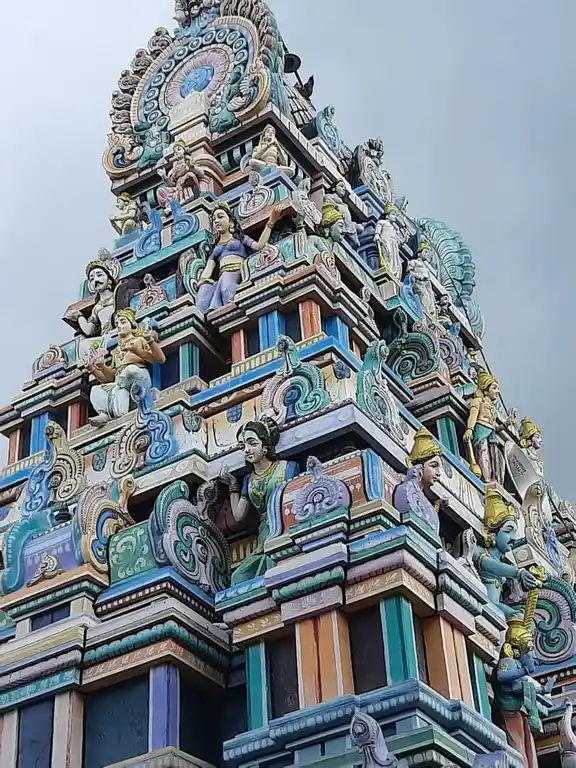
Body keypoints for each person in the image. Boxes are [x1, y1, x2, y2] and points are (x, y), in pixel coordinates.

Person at [220, 416, 299, 584]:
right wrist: (233, 485)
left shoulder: (287, 468)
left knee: (275, 564)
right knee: (238, 577)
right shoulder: (249, 480)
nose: (247, 450)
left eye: (252, 443)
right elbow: (239, 515)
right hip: (263, 536)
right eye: (243, 446)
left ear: (265, 447)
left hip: (284, 528)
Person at [195, 201, 281, 313]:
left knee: (226, 285)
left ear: (230, 222)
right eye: (214, 219)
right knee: (204, 290)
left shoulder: (240, 239)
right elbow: (208, 268)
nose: (216, 221)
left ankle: (232, 312)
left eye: (220, 217)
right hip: (222, 275)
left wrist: (271, 221)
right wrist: (202, 281)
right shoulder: (216, 248)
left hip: (237, 272)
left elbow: (259, 246)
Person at [87, 309, 165, 426]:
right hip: (121, 384)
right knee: (96, 390)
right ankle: (107, 414)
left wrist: (143, 345)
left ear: (132, 324)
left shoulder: (139, 340)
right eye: (117, 324)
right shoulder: (116, 350)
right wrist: (98, 367)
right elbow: (109, 376)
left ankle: (118, 388)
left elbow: (160, 359)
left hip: (138, 378)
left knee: (129, 371)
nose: (119, 326)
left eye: (123, 322)